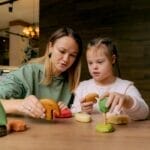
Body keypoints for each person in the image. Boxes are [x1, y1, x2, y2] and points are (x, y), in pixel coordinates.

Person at [0, 27, 83, 119]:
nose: (66, 59)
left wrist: (65, 111)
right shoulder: (28, 73)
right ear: (50, 47)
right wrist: (20, 104)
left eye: (72, 55)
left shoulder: (72, 84)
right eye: (62, 51)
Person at [71, 37, 149, 120]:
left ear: (112, 59)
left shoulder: (126, 87)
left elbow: (144, 114)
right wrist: (81, 111)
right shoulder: (82, 87)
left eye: (100, 62)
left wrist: (127, 101)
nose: (94, 67)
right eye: (90, 63)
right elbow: (73, 113)